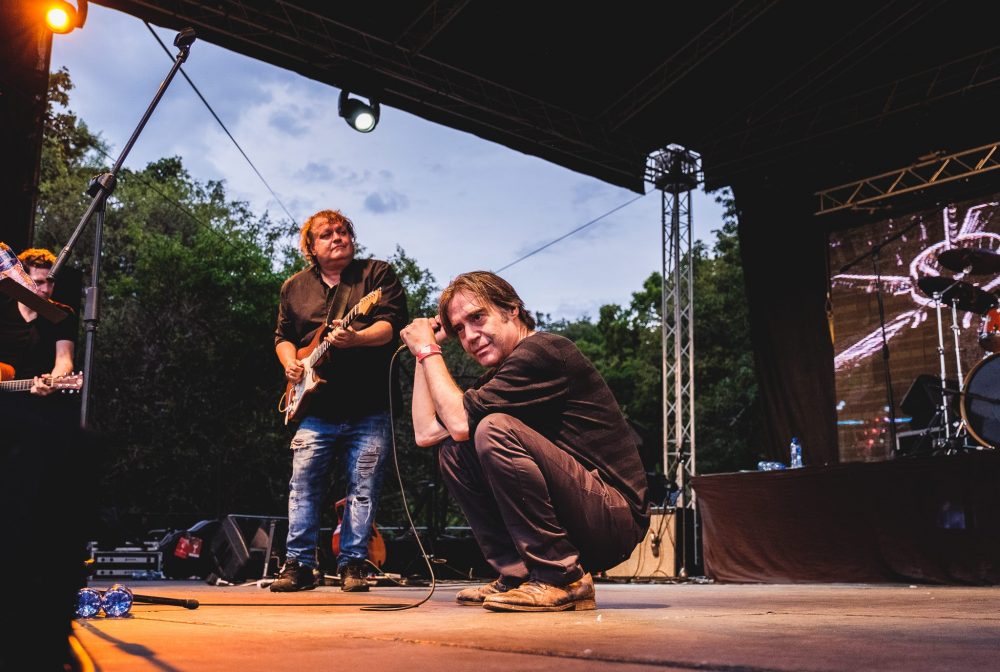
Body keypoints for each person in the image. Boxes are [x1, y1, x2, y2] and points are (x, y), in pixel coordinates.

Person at [400, 271, 649, 612]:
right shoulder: (503, 375)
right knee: (456, 451)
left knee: (490, 428)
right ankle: (518, 576)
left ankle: (560, 577)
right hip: (582, 519)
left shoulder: (544, 352)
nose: (470, 336)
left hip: (612, 518)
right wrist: (422, 352)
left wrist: (429, 349)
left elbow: (458, 421)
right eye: (459, 328)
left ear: (511, 309)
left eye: (478, 317)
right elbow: (427, 432)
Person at [272, 209, 407, 592]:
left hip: (369, 405)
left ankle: (353, 565)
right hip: (315, 408)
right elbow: (282, 336)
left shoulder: (376, 276)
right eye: (327, 234)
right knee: (303, 485)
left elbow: (391, 327)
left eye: (343, 230)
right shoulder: (294, 287)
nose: (338, 237)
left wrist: (357, 339)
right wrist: (291, 364)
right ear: (311, 248)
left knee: (363, 486)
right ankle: (298, 565)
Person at [0, 247, 78, 398]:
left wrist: (54, 380)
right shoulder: (3, 305)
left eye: (51, 283)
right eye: (39, 282)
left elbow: (64, 359)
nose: (46, 289)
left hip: (34, 403)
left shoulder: (63, 315)